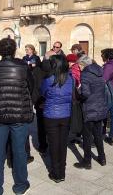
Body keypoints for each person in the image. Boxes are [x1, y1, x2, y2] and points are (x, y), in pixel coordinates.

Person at [0, 38, 34, 195]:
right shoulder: (23, 67)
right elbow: (32, 88)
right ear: (14, 50)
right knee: (19, 151)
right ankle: (20, 185)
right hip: (19, 114)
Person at [41, 54, 73, 183]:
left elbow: (43, 93)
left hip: (51, 115)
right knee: (62, 143)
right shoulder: (71, 79)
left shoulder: (48, 79)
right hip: (65, 114)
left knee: (54, 144)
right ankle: (62, 172)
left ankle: (56, 173)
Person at [73, 55, 108, 169]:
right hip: (100, 107)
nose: (79, 68)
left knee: (87, 136)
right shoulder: (99, 72)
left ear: (83, 64)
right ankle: (102, 158)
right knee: (98, 134)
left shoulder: (86, 74)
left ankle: (87, 161)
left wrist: (78, 94)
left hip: (89, 109)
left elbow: (86, 93)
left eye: (79, 66)